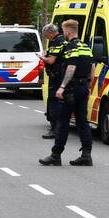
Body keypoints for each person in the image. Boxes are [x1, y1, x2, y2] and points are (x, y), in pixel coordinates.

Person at [39, 19, 94, 166]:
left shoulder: (71, 47)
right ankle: (86, 155)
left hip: (71, 89)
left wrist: (62, 86)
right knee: (83, 122)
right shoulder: (85, 46)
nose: (63, 33)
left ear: (69, 31)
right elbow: (92, 67)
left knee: (62, 122)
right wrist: (89, 86)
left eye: (64, 31)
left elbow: (71, 67)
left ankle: (55, 155)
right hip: (83, 88)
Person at [37, 24, 65, 140]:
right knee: (61, 103)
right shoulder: (64, 40)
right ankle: (60, 128)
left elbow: (52, 60)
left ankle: (54, 129)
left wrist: (42, 57)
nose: (46, 37)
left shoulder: (56, 42)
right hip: (62, 75)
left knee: (53, 102)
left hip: (56, 76)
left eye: (46, 35)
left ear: (50, 32)